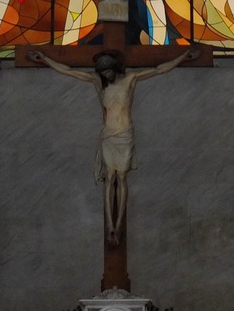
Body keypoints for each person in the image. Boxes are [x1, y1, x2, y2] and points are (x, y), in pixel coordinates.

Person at [27, 46, 199, 245]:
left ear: (115, 68)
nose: (106, 75)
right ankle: (110, 226)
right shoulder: (97, 81)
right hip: (109, 135)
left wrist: (183, 57)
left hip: (124, 134)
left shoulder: (130, 79)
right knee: (109, 177)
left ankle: (119, 225)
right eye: (103, 72)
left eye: (108, 71)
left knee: (122, 177)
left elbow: (159, 69)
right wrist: (45, 59)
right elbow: (69, 71)